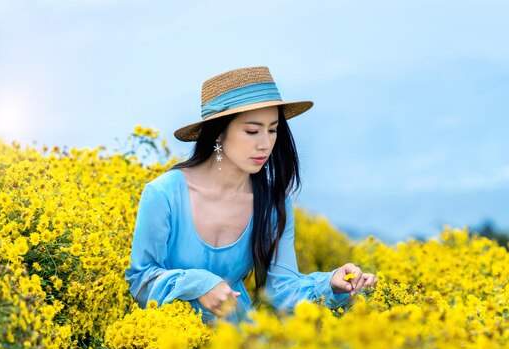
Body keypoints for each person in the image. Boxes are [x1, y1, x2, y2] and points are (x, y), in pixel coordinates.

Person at [125, 66, 377, 325]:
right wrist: (199, 284)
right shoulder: (163, 194)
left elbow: (282, 291)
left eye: (273, 130)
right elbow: (140, 281)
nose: (265, 144)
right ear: (219, 132)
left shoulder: (272, 202)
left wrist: (331, 283)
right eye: (252, 131)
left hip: (241, 346)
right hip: (165, 345)